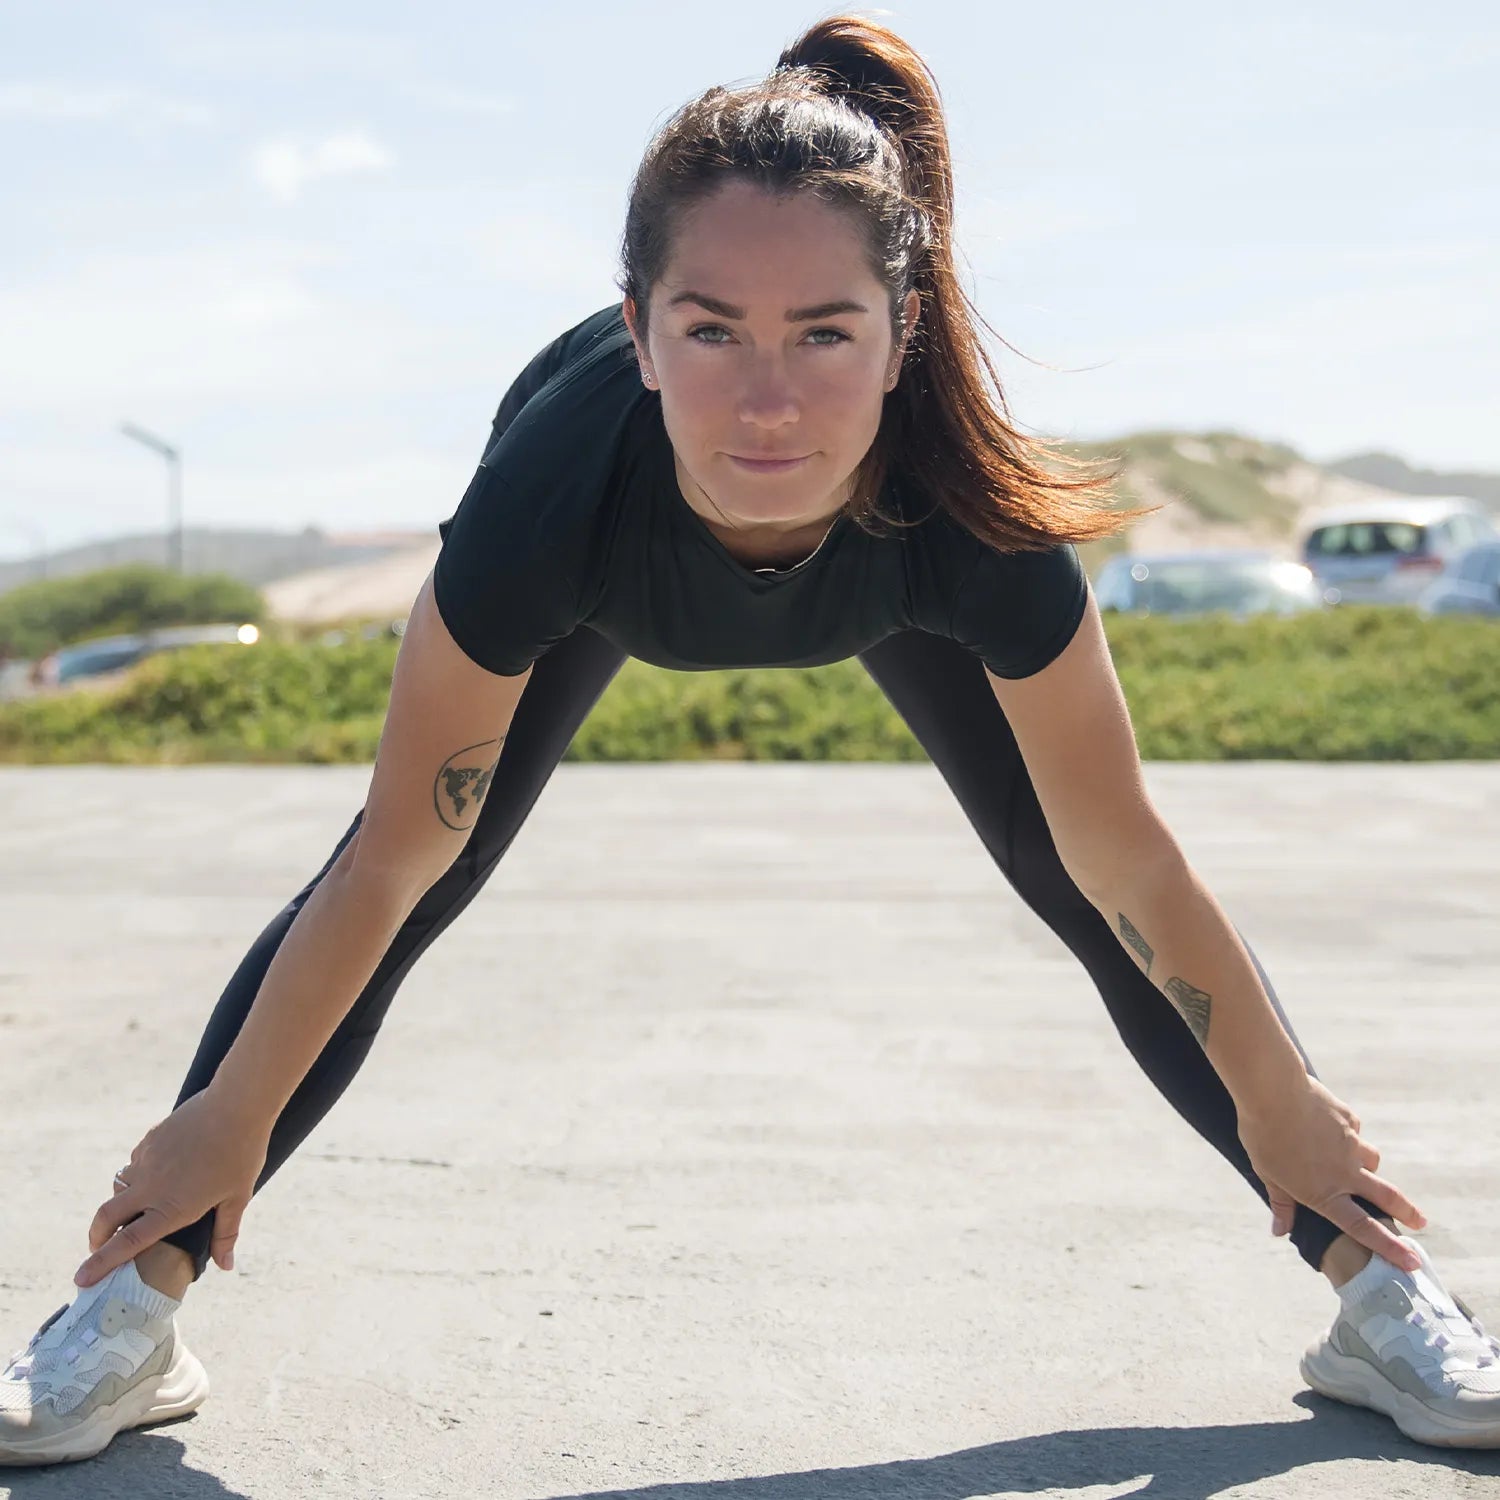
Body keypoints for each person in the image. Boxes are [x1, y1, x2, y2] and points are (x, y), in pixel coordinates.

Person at [3, 13, 1497, 1469]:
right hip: (611, 566)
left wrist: (1288, 1108)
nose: (768, 401)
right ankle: (133, 1312)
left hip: (893, 553)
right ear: (641, 335)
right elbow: (392, 857)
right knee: (425, 892)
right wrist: (223, 1123)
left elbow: (1132, 863)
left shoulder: (973, 516)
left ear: (904, 336)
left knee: (1074, 883)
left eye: (826, 332)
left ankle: (1377, 1298)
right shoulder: (549, 501)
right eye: (710, 330)